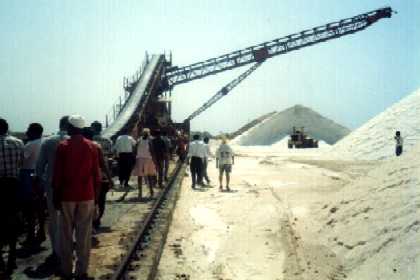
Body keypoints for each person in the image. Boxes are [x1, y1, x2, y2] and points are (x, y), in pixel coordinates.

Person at [53, 115, 101, 279]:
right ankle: (82, 270)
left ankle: (66, 269)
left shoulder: (63, 146)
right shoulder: (92, 147)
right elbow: (96, 174)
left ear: (71, 128)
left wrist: (55, 196)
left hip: (67, 196)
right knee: (84, 234)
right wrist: (96, 197)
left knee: (65, 233)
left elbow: (57, 175)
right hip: (87, 195)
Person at [35, 116, 69, 270]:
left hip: (52, 185)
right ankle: (68, 247)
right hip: (71, 185)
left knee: (54, 219)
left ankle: (56, 251)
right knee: (70, 218)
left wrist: (42, 183)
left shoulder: (48, 141)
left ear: (59, 124)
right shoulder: (73, 140)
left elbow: (40, 166)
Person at [0, 118, 23, 275]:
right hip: (13, 184)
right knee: (13, 220)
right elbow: (21, 163)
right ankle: (12, 259)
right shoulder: (18, 143)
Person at [82, 127, 114, 230]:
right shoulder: (99, 145)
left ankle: (88, 223)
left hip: (84, 179)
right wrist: (110, 179)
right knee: (100, 201)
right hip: (99, 178)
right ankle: (96, 220)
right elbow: (104, 164)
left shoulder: (75, 145)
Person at [19, 123, 44, 252]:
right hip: (40, 174)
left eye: (28, 130)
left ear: (33, 132)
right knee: (39, 205)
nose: (26, 132)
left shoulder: (30, 145)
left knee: (29, 207)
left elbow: (21, 161)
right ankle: (41, 232)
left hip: (28, 174)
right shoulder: (43, 142)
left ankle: (31, 235)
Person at [132, 128, 156, 199]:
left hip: (140, 159)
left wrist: (136, 156)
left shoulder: (139, 140)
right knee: (149, 176)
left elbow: (135, 149)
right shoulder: (149, 141)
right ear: (148, 133)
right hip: (148, 159)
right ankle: (151, 191)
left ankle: (140, 193)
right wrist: (153, 159)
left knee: (140, 177)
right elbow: (152, 150)